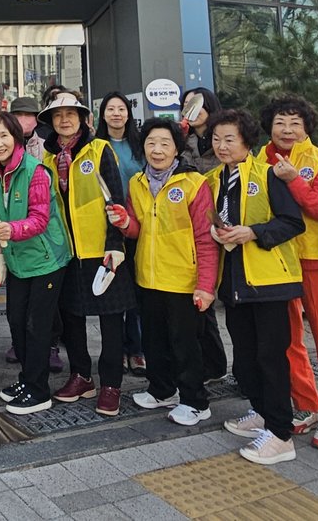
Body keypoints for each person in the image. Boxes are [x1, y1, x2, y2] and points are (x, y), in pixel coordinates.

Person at [208, 109, 304, 465]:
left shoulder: (267, 175)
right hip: (233, 282)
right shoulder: (213, 180)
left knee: (271, 357)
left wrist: (253, 232)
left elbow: (292, 222)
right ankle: (262, 412)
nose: (221, 146)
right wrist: (217, 232)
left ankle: (281, 435)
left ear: (247, 141)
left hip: (269, 282)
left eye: (229, 139)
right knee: (246, 356)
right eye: (216, 139)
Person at [259, 95, 318, 451]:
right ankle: (307, 403)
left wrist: (294, 179)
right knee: (288, 341)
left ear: (306, 127)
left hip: (315, 261)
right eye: (280, 122)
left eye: (295, 123)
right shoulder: (258, 160)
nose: (287, 130)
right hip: (277, 262)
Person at [40, 93, 135, 417]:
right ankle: (81, 376)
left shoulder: (99, 150)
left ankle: (111, 384)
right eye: (58, 115)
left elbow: (115, 200)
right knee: (72, 318)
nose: (64, 120)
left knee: (111, 320)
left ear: (82, 118)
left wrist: (115, 244)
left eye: (71, 113)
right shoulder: (48, 158)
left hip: (101, 249)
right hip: (67, 253)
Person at [126, 117, 220, 427]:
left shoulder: (194, 183)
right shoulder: (136, 182)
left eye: (165, 143)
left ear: (177, 149)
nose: (157, 150)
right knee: (154, 341)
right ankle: (162, 390)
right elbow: (139, 227)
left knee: (186, 344)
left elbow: (206, 238)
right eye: (151, 143)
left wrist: (205, 285)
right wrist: (125, 223)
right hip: (148, 276)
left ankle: (195, 402)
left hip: (183, 279)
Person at [0, 111, 69, 415]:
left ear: (16, 138)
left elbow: (40, 219)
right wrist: (0, 253)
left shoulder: (36, 171)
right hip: (17, 260)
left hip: (46, 260)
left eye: (4, 135)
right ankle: (27, 378)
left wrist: (12, 230)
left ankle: (39, 390)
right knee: (16, 321)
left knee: (36, 326)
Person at [179, 85, 228, 383]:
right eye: (186, 105)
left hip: (225, 225)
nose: (192, 110)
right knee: (200, 297)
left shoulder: (224, 139)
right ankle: (213, 363)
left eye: (196, 103)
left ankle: (228, 366)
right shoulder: (183, 141)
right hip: (193, 226)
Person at [96, 92, 146, 375]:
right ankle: (118, 350)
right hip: (108, 226)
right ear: (102, 114)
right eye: (110, 109)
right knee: (115, 290)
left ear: (129, 113)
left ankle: (136, 349)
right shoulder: (96, 146)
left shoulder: (140, 144)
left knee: (137, 290)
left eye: (121, 109)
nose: (116, 114)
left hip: (138, 223)